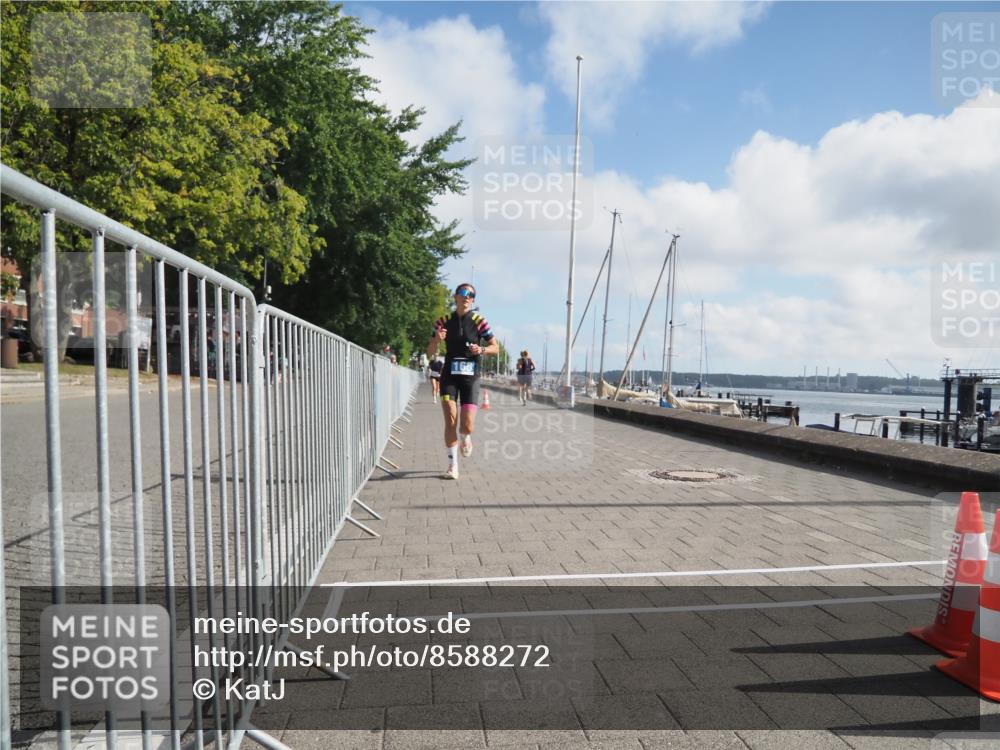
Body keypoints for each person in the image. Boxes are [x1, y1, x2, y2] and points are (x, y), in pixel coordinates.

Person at [427, 283, 498, 479]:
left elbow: (495, 347)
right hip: (449, 374)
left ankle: (466, 437)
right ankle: (452, 466)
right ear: (455, 296)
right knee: (450, 418)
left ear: (473, 300)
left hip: (470, 377)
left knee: (466, 425)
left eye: (471, 295)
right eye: (463, 293)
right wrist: (436, 341)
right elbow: (429, 352)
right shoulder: (443, 321)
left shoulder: (478, 320)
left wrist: (482, 350)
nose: (467, 297)